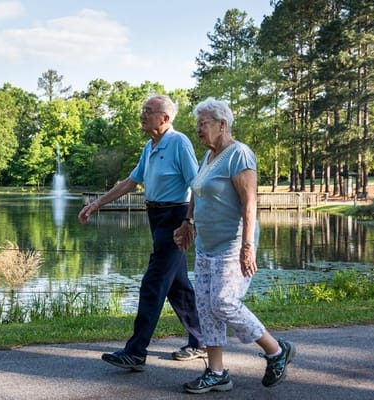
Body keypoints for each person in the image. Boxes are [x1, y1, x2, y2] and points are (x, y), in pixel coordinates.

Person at [173, 97, 295, 394]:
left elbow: (250, 201)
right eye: (198, 124)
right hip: (206, 243)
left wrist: (248, 245)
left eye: (203, 124)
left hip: (233, 242)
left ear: (221, 124)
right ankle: (216, 372)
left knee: (224, 302)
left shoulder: (239, 154)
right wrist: (188, 221)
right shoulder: (209, 156)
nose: (198, 130)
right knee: (205, 307)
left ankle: (276, 351)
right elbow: (197, 190)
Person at [78, 94, 205, 371]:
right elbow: (130, 182)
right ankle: (201, 340)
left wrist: (189, 222)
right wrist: (96, 204)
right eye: (143, 110)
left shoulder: (179, 142)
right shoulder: (150, 146)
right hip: (155, 216)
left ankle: (136, 352)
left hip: (175, 218)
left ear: (165, 118)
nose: (143, 115)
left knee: (153, 283)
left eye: (148, 111)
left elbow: (196, 184)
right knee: (177, 285)